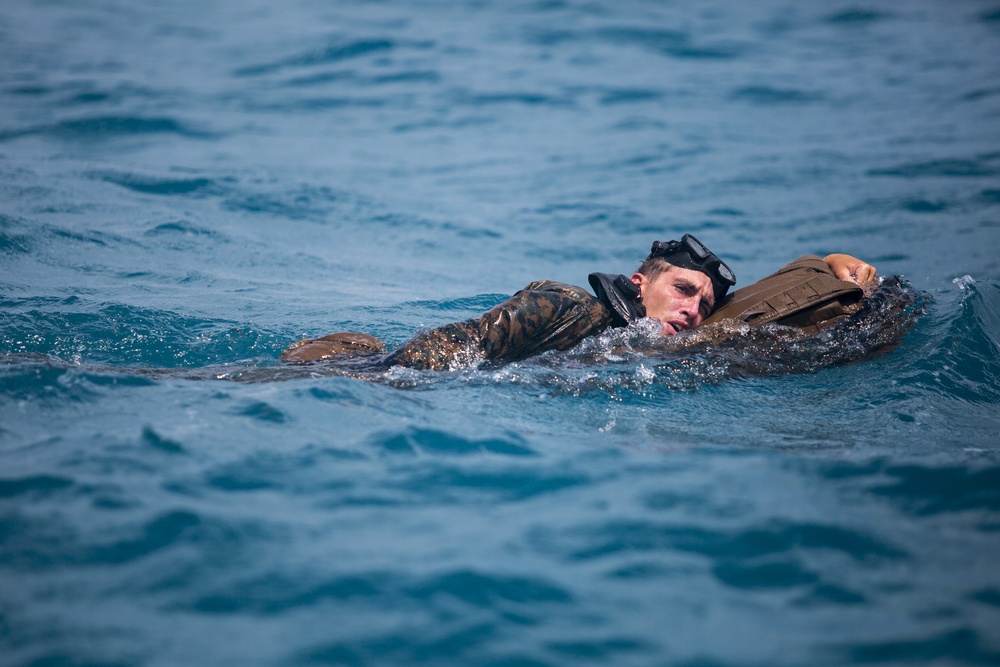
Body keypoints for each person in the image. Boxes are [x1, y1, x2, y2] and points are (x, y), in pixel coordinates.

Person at [280, 234, 878, 371]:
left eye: (705, 303)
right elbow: (462, 342)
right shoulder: (564, 307)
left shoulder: (660, 351)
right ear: (640, 284)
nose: (695, 308)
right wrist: (391, 385)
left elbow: (762, 308)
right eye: (684, 288)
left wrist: (828, 267)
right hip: (364, 377)